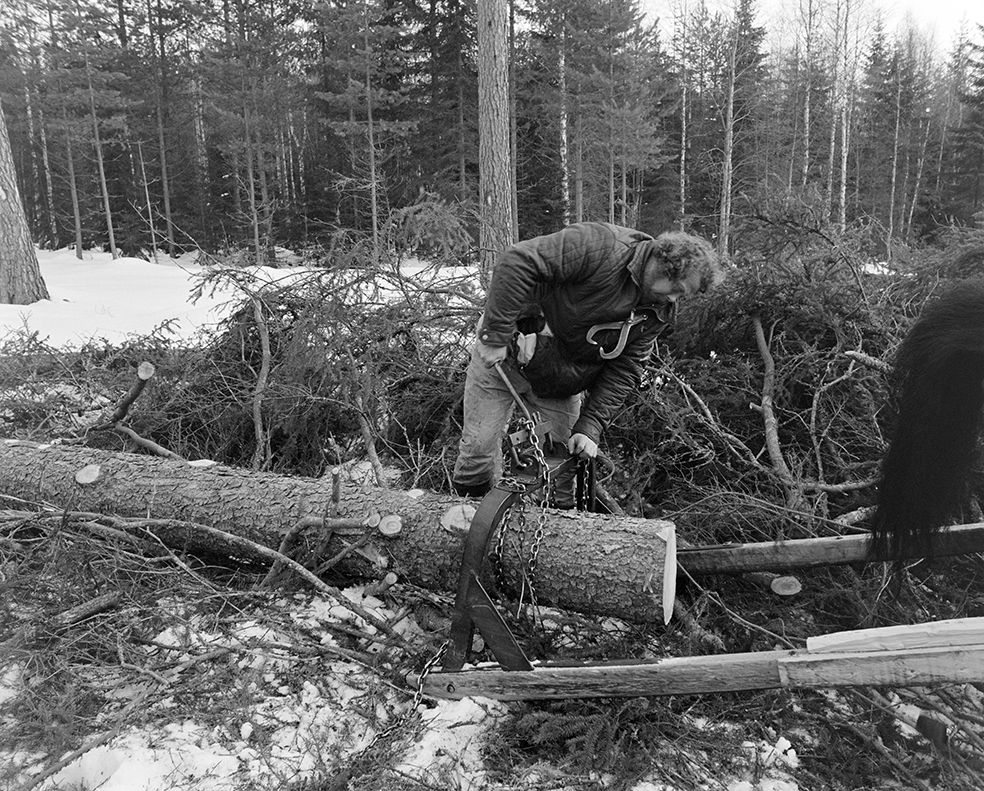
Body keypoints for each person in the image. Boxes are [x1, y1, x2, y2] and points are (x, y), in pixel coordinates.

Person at [452, 221, 725, 500]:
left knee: (560, 472)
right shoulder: (601, 246)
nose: (673, 298)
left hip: (559, 380)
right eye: (676, 288)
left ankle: (557, 537)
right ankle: (467, 523)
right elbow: (518, 261)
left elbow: (625, 369)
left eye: (682, 296)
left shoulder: (657, 311)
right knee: (478, 451)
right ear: (663, 265)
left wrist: (590, 426)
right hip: (505, 357)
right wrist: (495, 335)